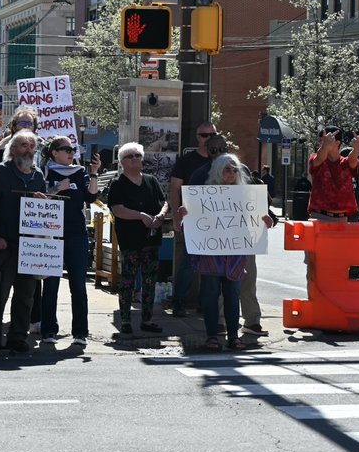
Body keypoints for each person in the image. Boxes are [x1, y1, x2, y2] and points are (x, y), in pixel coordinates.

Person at [178, 153, 276, 351]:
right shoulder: (205, 193)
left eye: (234, 169)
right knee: (210, 295)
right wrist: (185, 216)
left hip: (235, 254)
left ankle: (234, 337)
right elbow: (189, 225)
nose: (231, 173)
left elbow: (262, 218)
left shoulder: (246, 194)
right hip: (211, 254)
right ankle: (212, 336)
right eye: (227, 169)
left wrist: (267, 221)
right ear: (218, 171)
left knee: (233, 295)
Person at [0, 129, 47, 354]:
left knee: (26, 295)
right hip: (3, 244)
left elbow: (45, 212)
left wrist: (44, 202)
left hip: (29, 246)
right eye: (23, 145)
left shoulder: (38, 176)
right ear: (13, 149)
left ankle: (18, 337)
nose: (28, 150)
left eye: (31, 146)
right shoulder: (0, 172)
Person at [39, 137, 100, 346]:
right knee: (51, 285)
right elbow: (38, 199)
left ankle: (80, 332)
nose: (71, 153)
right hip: (52, 233)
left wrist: (93, 173)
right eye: (66, 149)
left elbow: (91, 197)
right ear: (54, 152)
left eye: (73, 149)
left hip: (76, 233)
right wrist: (57, 188)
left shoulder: (79, 171)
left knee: (78, 285)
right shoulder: (45, 171)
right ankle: (48, 330)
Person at [107, 142, 171, 336]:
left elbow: (164, 202)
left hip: (151, 239)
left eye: (137, 155)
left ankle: (147, 319)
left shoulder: (151, 180)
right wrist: (141, 215)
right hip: (130, 240)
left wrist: (160, 216)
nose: (134, 159)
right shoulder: (118, 183)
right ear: (122, 162)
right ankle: (126, 319)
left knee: (150, 281)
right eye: (129, 156)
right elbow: (118, 209)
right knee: (128, 280)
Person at [168, 121, 219, 315]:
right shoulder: (187, 161)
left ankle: (206, 304)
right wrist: (174, 216)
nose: (208, 139)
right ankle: (178, 301)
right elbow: (174, 189)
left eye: (212, 134)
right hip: (193, 220)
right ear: (198, 138)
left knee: (213, 267)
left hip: (220, 222)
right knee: (188, 263)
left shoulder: (225, 161)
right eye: (204, 135)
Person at [306, 126, 359, 280]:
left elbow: (352, 160)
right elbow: (318, 159)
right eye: (321, 140)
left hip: (344, 220)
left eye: (327, 140)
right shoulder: (316, 159)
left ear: (337, 143)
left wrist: (357, 148)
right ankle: (316, 302)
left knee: (343, 268)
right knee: (316, 270)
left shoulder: (345, 163)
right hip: (320, 219)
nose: (322, 143)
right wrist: (325, 146)